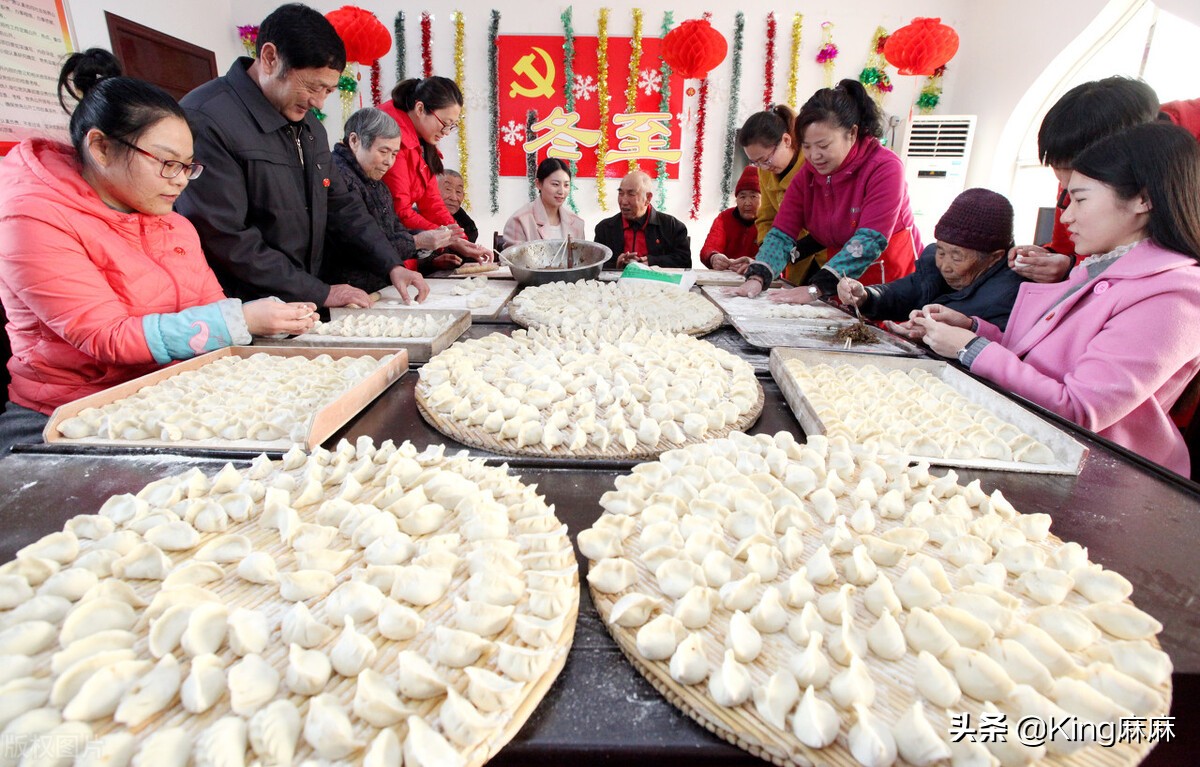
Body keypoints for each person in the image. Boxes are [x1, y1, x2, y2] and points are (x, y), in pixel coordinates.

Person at [0, 49, 317, 453]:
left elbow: (208, 304)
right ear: (99, 148)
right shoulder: (33, 220)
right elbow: (105, 336)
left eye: (188, 166)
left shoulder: (174, 223)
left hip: (161, 396)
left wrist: (263, 322)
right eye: (167, 163)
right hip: (66, 414)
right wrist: (242, 319)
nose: (181, 181)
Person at [913, 123, 1200, 477]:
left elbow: (1079, 410)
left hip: (1100, 477)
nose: (1066, 217)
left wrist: (971, 348)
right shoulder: (1099, 267)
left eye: (1080, 199)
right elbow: (1045, 361)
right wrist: (974, 329)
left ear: (1143, 199)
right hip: (1038, 447)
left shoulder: (1173, 294)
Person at [177, 3, 427, 309]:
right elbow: (226, 237)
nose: (318, 101)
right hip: (246, 309)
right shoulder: (207, 118)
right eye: (312, 86)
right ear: (270, 58)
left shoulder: (308, 126)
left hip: (300, 302)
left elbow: (342, 205)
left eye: (329, 90)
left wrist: (392, 264)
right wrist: (319, 291)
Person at [731, 79, 920, 303]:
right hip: (838, 270)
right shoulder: (809, 173)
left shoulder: (885, 167)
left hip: (888, 275)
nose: (814, 156)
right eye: (807, 147)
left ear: (852, 133)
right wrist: (758, 275)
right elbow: (783, 231)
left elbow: (870, 240)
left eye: (823, 145)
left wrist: (816, 288)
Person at [1010, 77, 1159, 284]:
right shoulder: (1075, 180)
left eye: (1080, 200)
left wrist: (1073, 267)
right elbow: (1066, 246)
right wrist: (1057, 260)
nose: (1063, 183)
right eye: (1055, 167)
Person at [838, 188, 1024, 330]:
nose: (944, 266)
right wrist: (866, 296)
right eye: (941, 251)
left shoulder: (1010, 296)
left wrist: (931, 336)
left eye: (956, 257)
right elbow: (903, 292)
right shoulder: (933, 265)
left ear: (994, 257)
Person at [325, 108, 454, 291]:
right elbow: (359, 242)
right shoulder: (338, 178)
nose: (389, 162)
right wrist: (418, 241)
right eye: (383, 151)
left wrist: (430, 239)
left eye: (394, 154)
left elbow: (394, 230)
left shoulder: (376, 181)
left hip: (377, 288)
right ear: (354, 141)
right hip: (348, 290)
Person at [379, 76, 492, 264]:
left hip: (399, 244)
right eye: (444, 123)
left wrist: (460, 240)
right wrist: (449, 238)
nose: (446, 132)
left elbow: (432, 201)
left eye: (452, 126)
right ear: (420, 109)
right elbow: (400, 209)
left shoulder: (422, 140)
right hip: (384, 246)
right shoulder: (391, 138)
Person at [738, 105, 808, 281]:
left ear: (786, 140)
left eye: (766, 159)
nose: (763, 167)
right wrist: (764, 259)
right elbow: (767, 218)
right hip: (794, 259)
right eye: (756, 163)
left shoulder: (812, 164)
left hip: (825, 256)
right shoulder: (766, 172)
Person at [594, 171, 691, 269]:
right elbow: (595, 264)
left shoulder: (672, 226)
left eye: (631, 194)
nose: (623, 201)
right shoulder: (605, 228)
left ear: (648, 198)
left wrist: (650, 261)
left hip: (658, 283)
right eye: (621, 193)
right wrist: (616, 265)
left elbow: (684, 262)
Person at [503, 158, 586, 245]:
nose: (561, 191)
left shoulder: (577, 223)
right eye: (555, 184)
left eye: (566, 185)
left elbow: (581, 257)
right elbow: (513, 258)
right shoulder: (520, 221)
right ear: (538, 184)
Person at [701, 166, 761, 272]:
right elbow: (709, 248)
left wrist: (755, 264)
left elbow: (776, 255)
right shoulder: (724, 218)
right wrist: (713, 257)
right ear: (736, 199)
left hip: (761, 277)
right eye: (742, 197)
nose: (747, 203)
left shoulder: (770, 220)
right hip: (726, 277)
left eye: (753, 197)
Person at [438, 170, 478, 244]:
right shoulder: (416, 220)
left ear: (463, 196)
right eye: (448, 189)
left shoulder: (468, 226)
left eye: (458, 191)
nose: (454, 198)